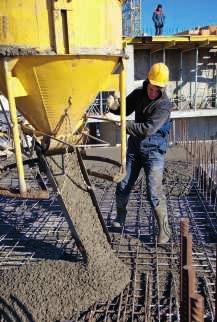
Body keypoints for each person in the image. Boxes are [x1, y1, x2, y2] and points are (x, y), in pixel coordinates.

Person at [106, 63, 173, 244]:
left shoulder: (164, 106)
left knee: (154, 192)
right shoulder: (139, 94)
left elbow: (147, 129)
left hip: (154, 152)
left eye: (156, 89)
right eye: (151, 87)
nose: (152, 92)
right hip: (135, 149)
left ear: (162, 87)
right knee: (123, 184)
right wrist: (114, 106)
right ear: (147, 82)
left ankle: (164, 231)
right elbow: (124, 110)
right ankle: (120, 218)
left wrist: (125, 125)